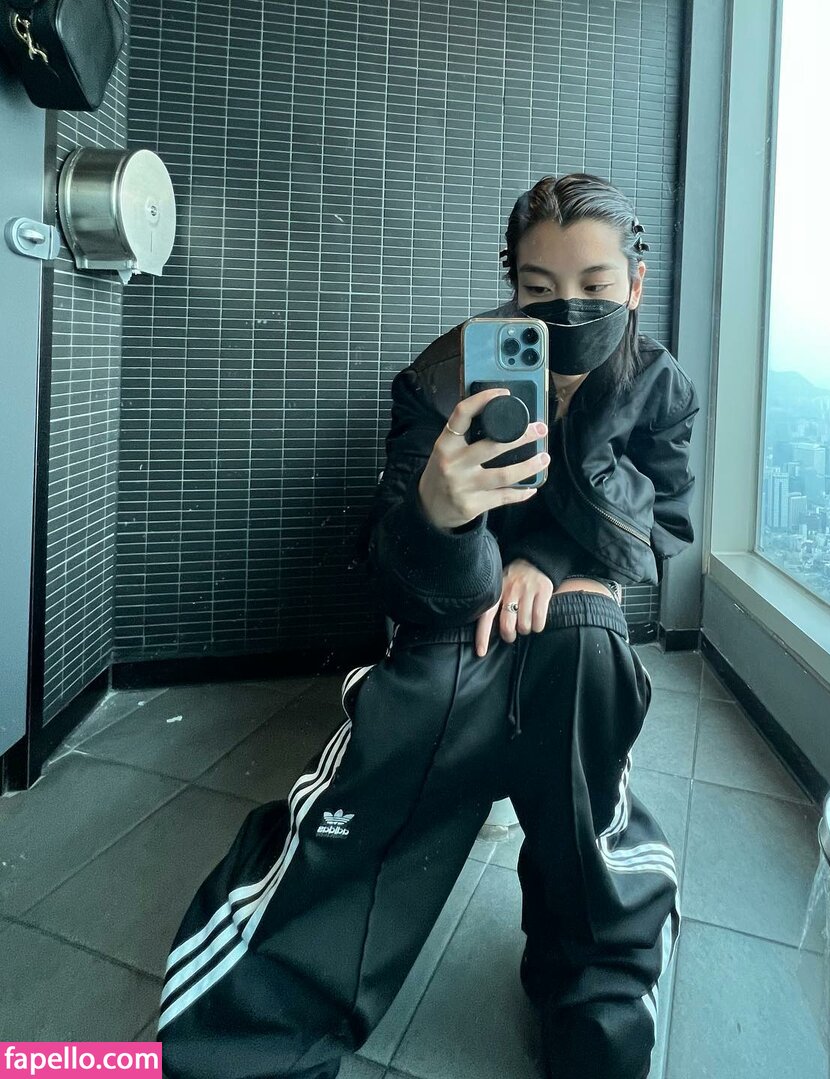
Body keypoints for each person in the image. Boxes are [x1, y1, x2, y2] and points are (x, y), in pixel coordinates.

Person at [155, 173, 701, 1079]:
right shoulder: (443, 375)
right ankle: (246, 1036)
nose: (567, 307)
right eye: (539, 287)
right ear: (511, 282)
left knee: (587, 659)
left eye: (596, 286)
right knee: (391, 766)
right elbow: (390, 562)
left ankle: (597, 998)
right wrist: (441, 517)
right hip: (454, 622)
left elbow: (664, 521)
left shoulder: (659, 388)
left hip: (572, 622)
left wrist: (551, 558)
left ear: (635, 284)